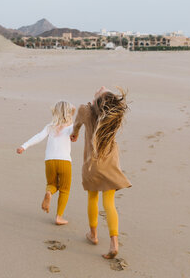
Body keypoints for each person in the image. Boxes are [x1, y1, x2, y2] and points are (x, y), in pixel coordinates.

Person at [71, 86, 131, 259]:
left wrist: (74, 133)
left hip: (92, 163)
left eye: (102, 91)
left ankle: (93, 235)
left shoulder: (85, 111)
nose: (102, 87)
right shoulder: (112, 119)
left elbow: (76, 126)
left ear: (97, 102)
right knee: (109, 203)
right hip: (111, 161)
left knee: (92, 198)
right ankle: (114, 243)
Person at [17, 101, 75, 225]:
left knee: (51, 184)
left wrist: (24, 146)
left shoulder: (50, 126)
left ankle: (49, 193)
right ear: (69, 113)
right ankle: (59, 217)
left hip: (50, 161)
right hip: (64, 161)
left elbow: (38, 137)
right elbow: (78, 122)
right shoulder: (71, 127)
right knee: (65, 189)